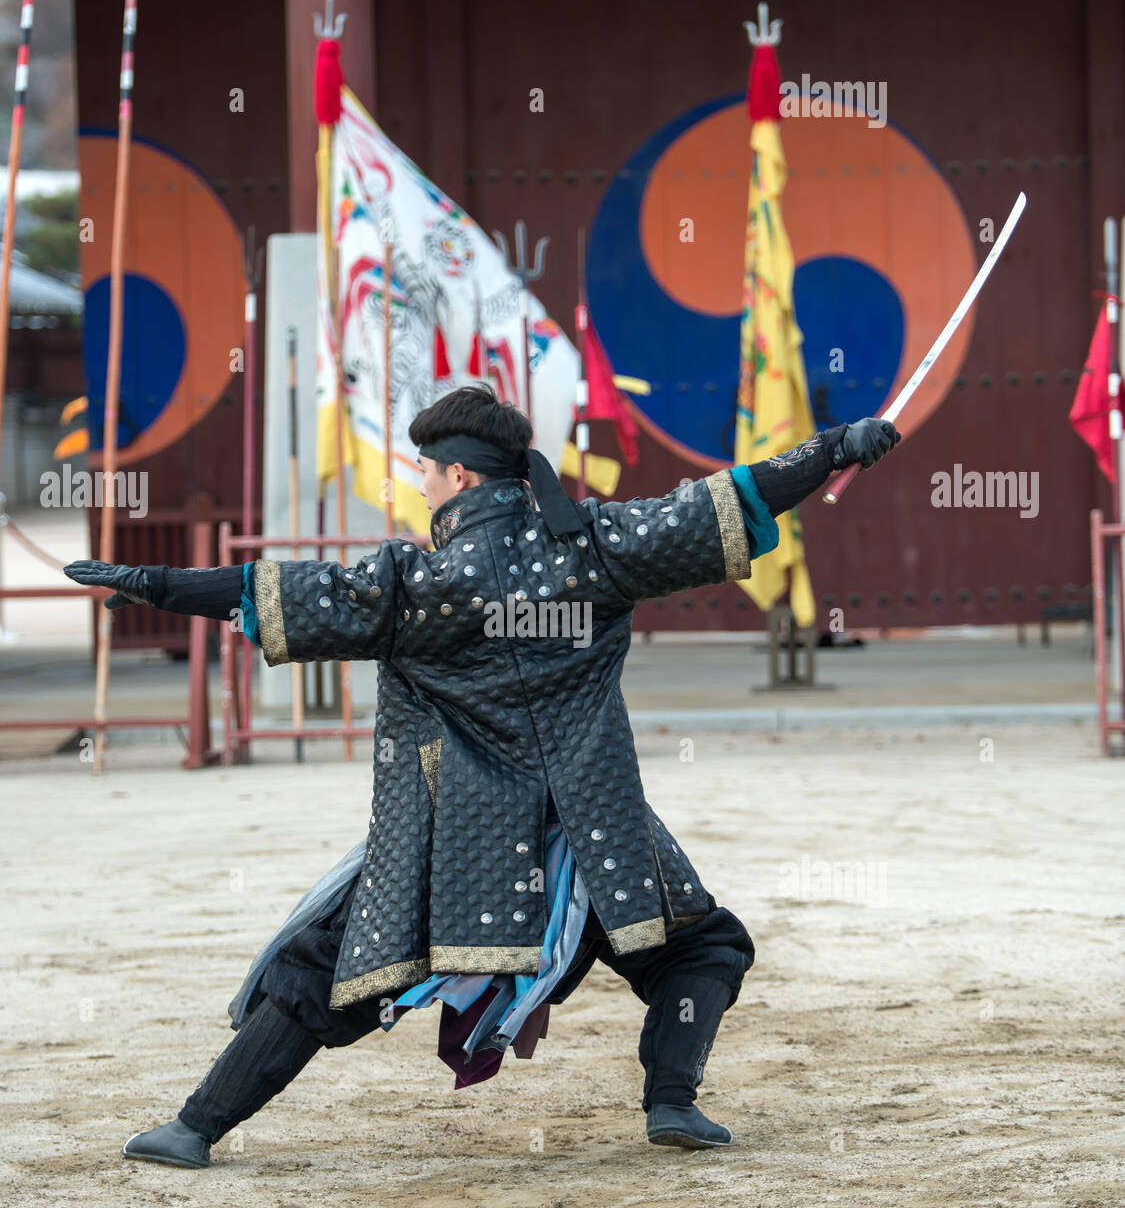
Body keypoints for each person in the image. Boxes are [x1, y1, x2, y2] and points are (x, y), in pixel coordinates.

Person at [65, 385, 899, 1164]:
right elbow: (722, 502)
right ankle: (671, 1104)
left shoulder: (416, 582)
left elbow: (284, 592)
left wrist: (159, 585)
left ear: (459, 474)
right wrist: (835, 448)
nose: (420, 484)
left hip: (456, 839)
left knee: (325, 971)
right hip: (594, 829)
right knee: (701, 948)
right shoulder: (596, 549)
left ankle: (193, 1127)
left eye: (425, 470)